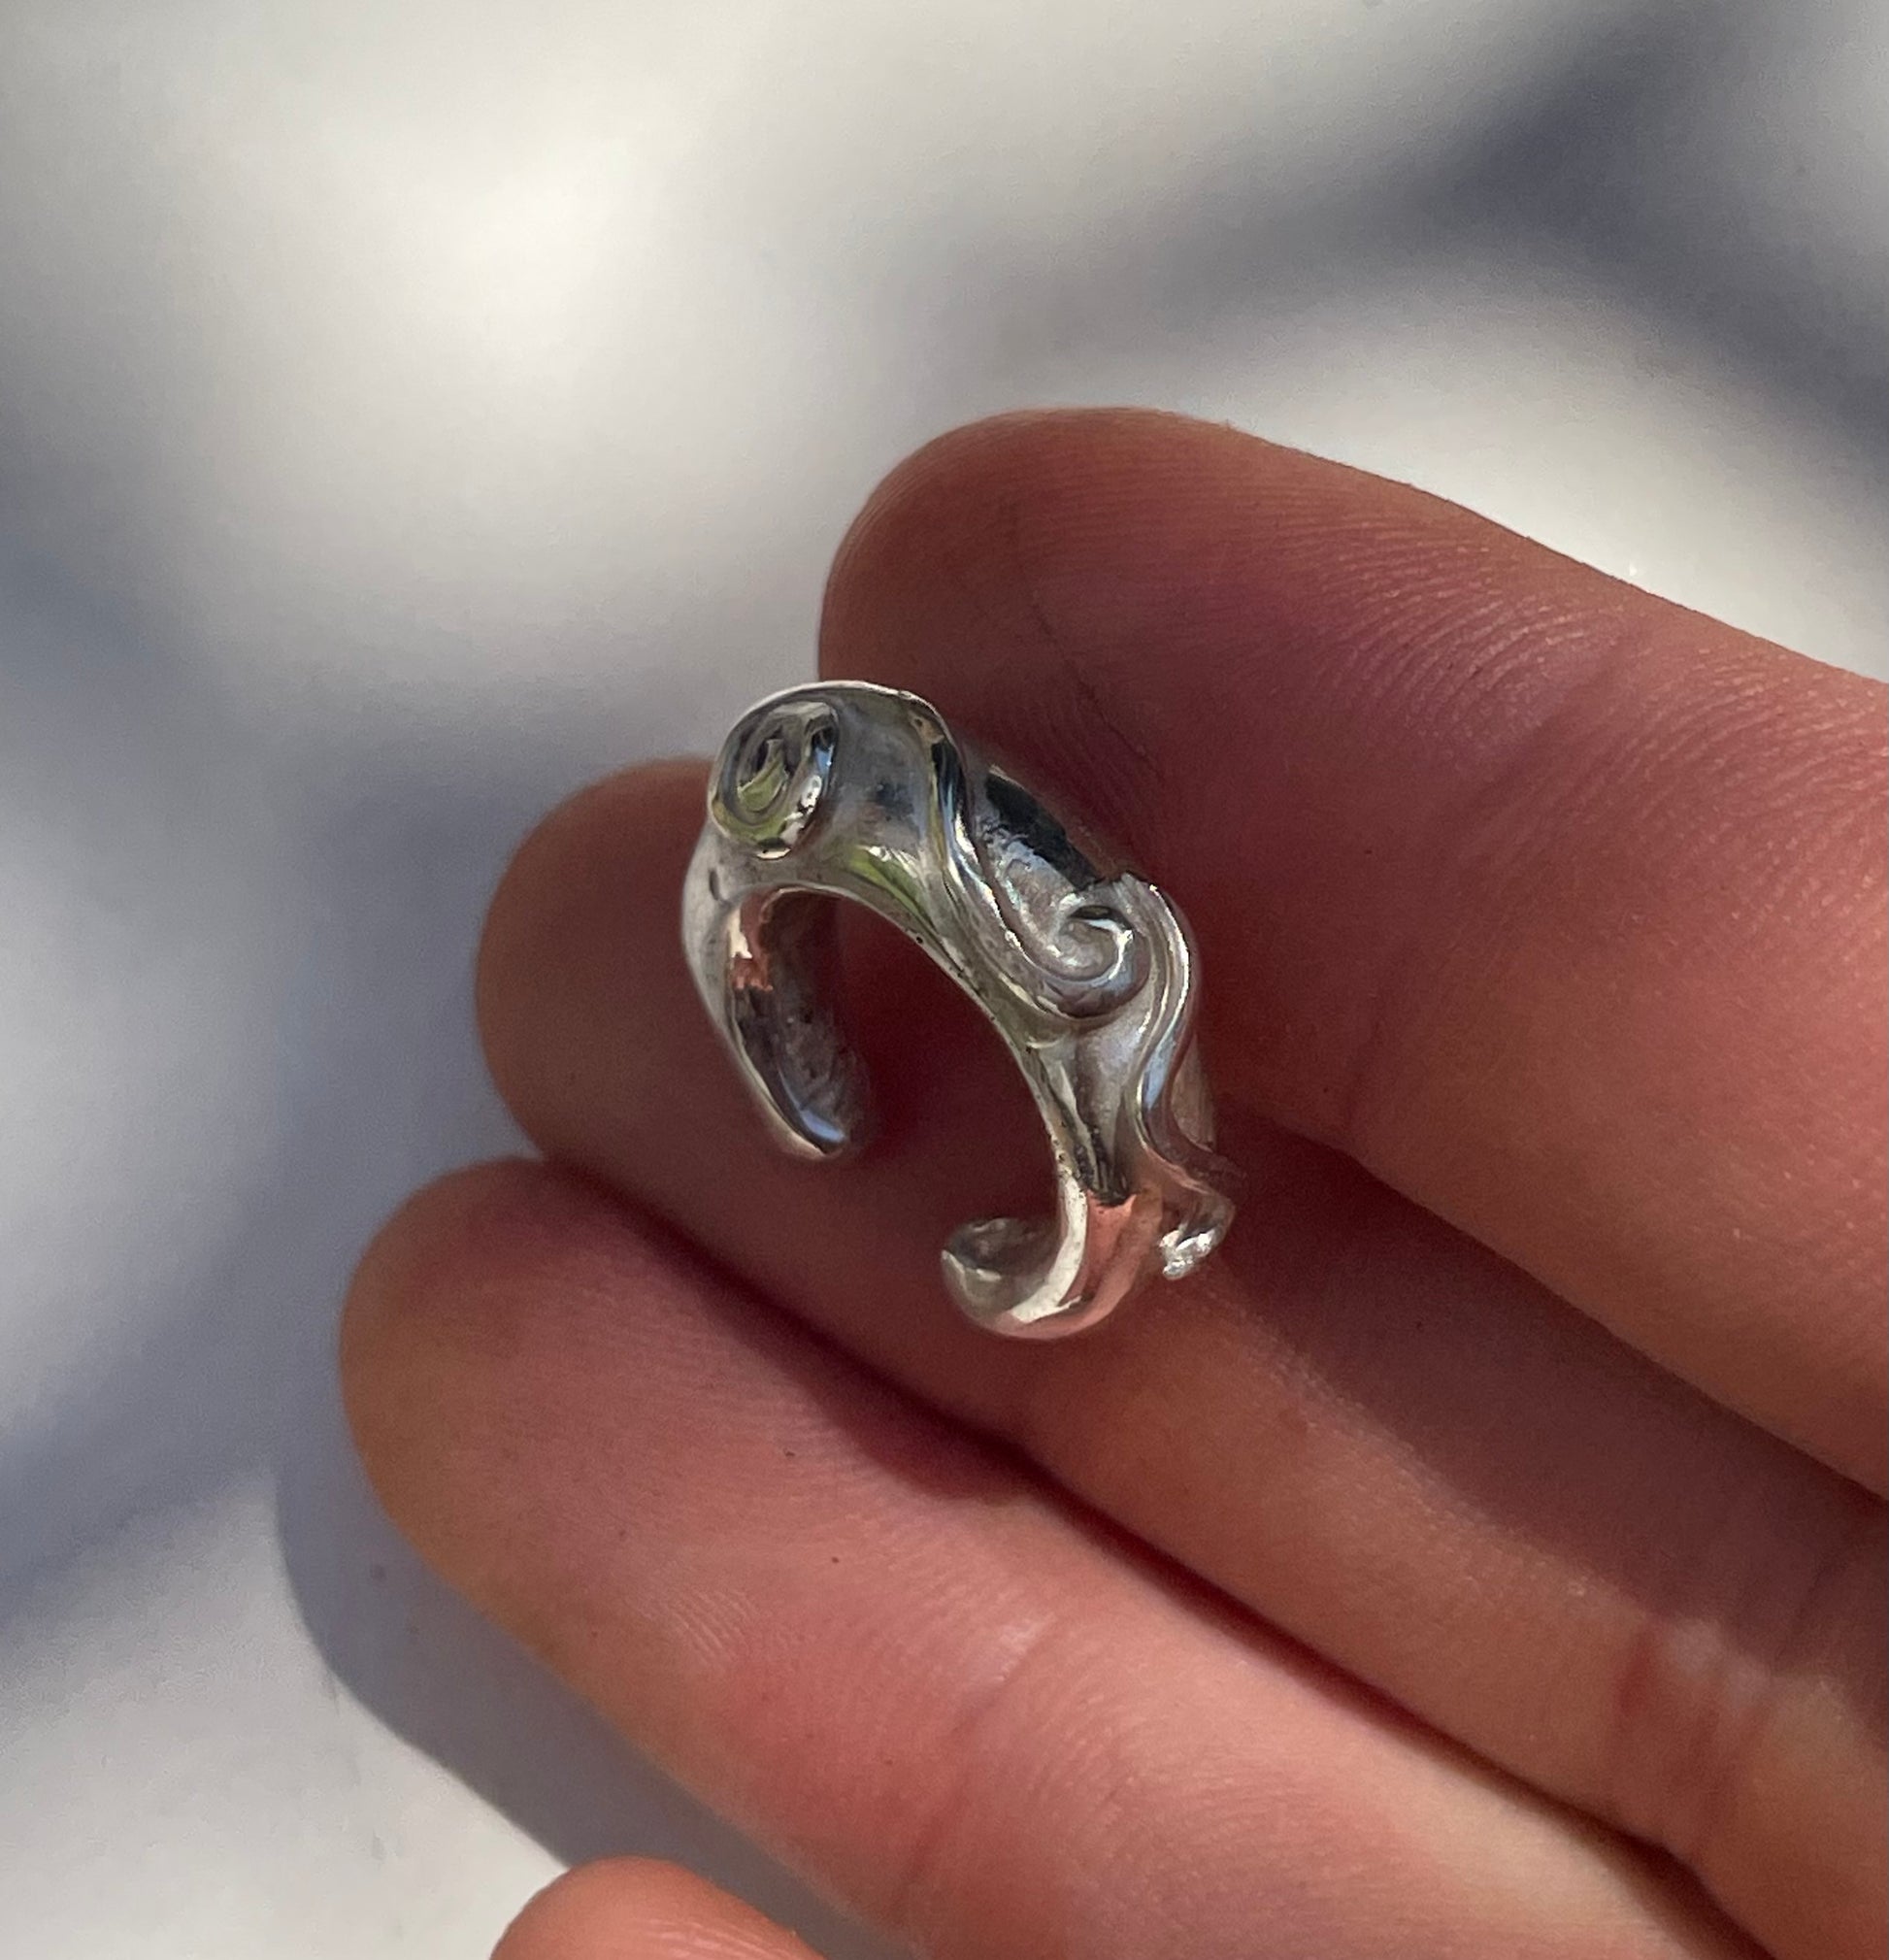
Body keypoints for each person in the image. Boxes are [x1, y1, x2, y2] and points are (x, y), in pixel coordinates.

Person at [342, 410, 1886, 1960]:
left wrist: (1086, 1230)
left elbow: (1082, 1032)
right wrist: (808, 1078)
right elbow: (737, 918)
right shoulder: (770, 860)